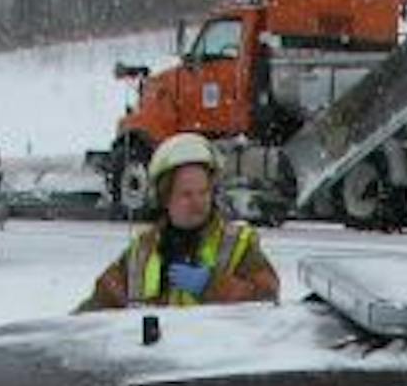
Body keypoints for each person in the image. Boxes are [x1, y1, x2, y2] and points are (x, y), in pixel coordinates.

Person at [78, 132, 280, 312]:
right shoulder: (142, 251)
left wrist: (212, 286)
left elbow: (267, 299)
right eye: (186, 195)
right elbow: (99, 307)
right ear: (165, 198)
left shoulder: (238, 245)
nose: (198, 203)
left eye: (203, 193)